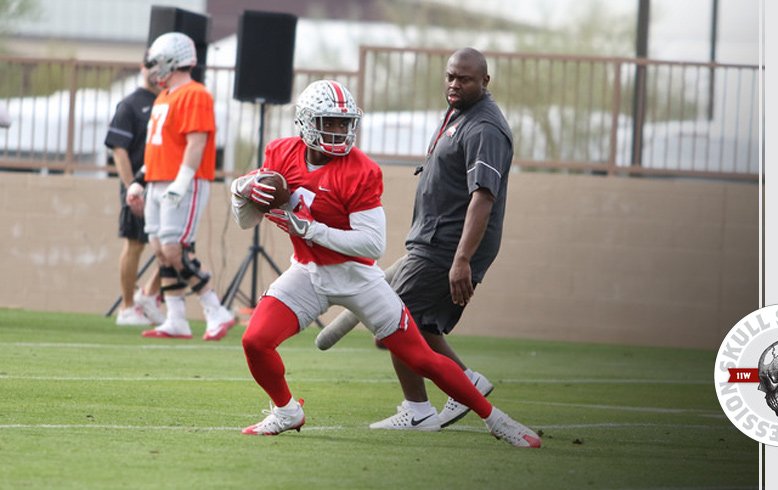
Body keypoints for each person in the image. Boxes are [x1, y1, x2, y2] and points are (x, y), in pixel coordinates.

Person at [230, 79, 540, 448]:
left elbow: (371, 244)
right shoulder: (280, 153)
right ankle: (285, 410)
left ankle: (498, 421)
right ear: (306, 121)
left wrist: (309, 228)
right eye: (329, 122)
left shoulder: (361, 170)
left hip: (357, 277)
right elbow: (247, 219)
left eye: (344, 123)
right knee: (255, 340)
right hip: (308, 272)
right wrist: (240, 190)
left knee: (421, 358)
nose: (338, 131)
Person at [368, 48, 513, 430]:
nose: (454, 84)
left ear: (485, 81)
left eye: (464, 79)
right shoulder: (459, 113)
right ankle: (465, 383)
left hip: (448, 245)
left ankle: (419, 409)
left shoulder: (485, 127)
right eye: (450, 76)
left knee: (394, 318)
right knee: (419, 323)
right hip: (431, 240)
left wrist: (462, 258)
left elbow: (483, 197)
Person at [127, 32, 235, 341]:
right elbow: (159, 148)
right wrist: (138, 182)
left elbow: (196, 143)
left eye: (157, 62)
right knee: (160, 250)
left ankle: (215, 308)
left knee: (175, 249)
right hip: (159, 180)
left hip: (182, 182)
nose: (152, 68)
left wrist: (181, 182)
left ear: (172, 60)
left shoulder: (195, 94)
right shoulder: (164, 97)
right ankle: (176, 318)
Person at [105, 58, 164, 326]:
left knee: (177, 245)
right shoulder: (129, 105)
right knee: (135, 244)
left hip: (166, 184)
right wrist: (132, 188)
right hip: (138, 186)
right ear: (142, 68)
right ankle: (128, 307)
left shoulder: (170, 101)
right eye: (150, 64)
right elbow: (119, 150)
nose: (154, 71)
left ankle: (149, 295)